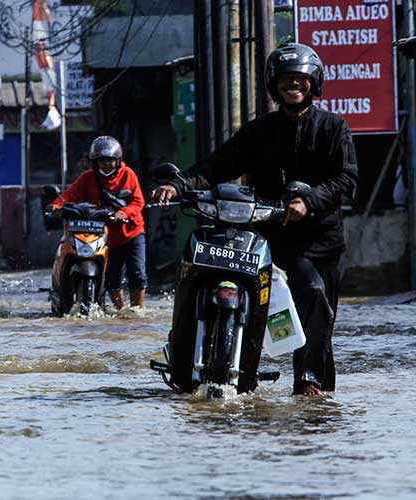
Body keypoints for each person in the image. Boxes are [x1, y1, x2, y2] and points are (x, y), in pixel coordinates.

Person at [151, 43, 358, 396]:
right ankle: (191, 360)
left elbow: (346, 179)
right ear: (273, 86)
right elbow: (217, 166)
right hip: (269, 235)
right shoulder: (259, 131)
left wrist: (309, 201)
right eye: (285, 80)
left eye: (300, 79)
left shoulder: (333, 128)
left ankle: (309, 385)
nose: (293, 86)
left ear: (314, 83)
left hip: (319, 242)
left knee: (314, 299)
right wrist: (178, 184)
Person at [48, 135, 148, 308]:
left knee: (138, 274)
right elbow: (70, 195)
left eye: (110, 161)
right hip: (106, 236)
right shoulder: (87, 178)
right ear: (95, 162)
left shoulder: (128, 175)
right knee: (112, 279)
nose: (106, 165)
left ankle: (136, 311)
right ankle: (120, 311)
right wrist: (56, 205)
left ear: (118, 161)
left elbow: (139, 202)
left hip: (132, 232)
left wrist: (124, 213)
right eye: (102, 161)